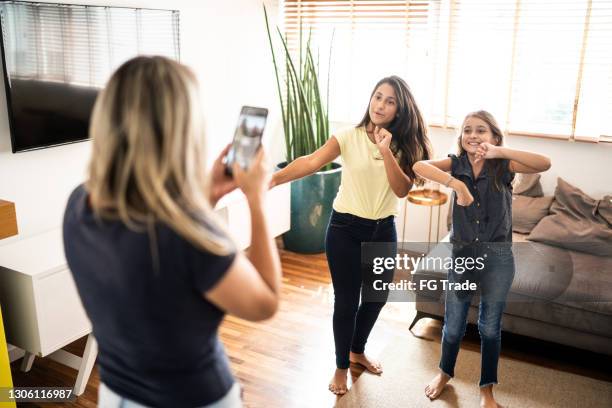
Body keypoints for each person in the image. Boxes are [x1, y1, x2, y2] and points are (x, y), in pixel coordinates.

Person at [63, 56, 282, 408]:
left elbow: (158, 270)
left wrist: (208, 193)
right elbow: (265, 302)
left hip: (116, 394)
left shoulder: (79, 205)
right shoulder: (187, 236)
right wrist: (257, 200)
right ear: (182, 132)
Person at [271, 76, 432, 395]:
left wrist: (386, 151)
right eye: (377, 97)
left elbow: (401, 190)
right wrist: (274, 179)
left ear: (399, 110)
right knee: (346, 301)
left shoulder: (404, 145)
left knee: (377, 297)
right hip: (344, 228)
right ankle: (341, 366)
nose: (380, 105)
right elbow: (311, 162)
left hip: (382, 229)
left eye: (389, 101)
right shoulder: (348, 136)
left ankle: (357, 349)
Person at [413, 110, 551, 408]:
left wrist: (499, 151)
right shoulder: (456, 163)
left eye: (481, 130)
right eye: (467, 130)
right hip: (463, 256)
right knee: (452, 326)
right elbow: (418, 165)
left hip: (498, 259)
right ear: (461, 137)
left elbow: (545, 163)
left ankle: (487, 389)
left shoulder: (503, 166)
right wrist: (457, 185)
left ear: (494, 137)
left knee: (489, 328)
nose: (473, 135)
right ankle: (443, 373)